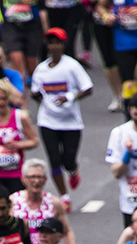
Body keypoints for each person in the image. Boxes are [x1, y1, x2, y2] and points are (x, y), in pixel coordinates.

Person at [30, 28, 95, 197]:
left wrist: (71, 97)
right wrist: (42, 101)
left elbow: (88, 89)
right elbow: (35, 91)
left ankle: (73, 170)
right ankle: (64, 196)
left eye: (57, 43)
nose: (54, 47)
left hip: (70, 122)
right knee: (54, 160)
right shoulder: (41, 69)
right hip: (47, 121)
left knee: (67, 161)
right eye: (51, 43)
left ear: (63, 45)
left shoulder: (72, 66)